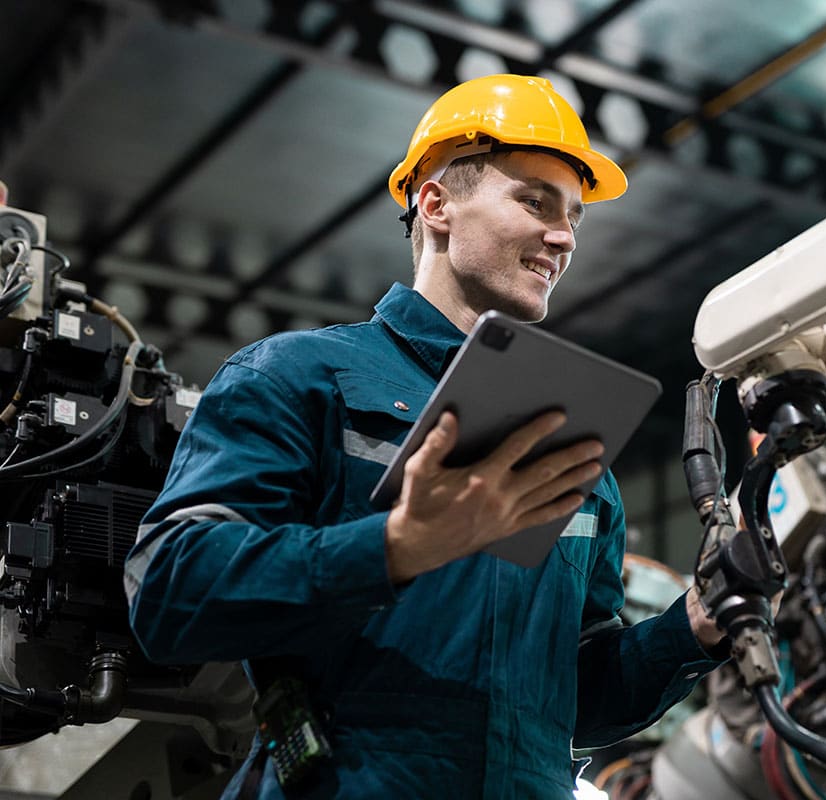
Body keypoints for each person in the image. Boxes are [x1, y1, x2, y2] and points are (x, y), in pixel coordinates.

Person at [124, 74, 728, 799]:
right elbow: (171, 590)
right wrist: (395, 548)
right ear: (436, 204)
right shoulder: (300, 376)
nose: (565, 237)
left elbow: (575, 699)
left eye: (573, 217)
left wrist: (695, 626)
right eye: (534, 202)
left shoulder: (572, 453)